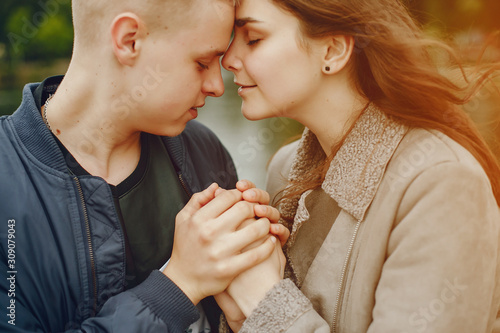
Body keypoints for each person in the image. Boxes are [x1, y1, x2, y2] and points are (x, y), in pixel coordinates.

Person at [0, 0, 289, 332]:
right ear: (129, 41)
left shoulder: (203, 151)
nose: (217, 86)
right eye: (202, 62)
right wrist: (179, 285)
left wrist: (254, 282)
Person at [217, 0, 500, 332]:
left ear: (333, 51)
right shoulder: (284, 169)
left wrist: (265, 300)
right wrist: (240, 315)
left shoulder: (441, 183)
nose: (228, 59)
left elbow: (268, 303)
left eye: (253, 38)